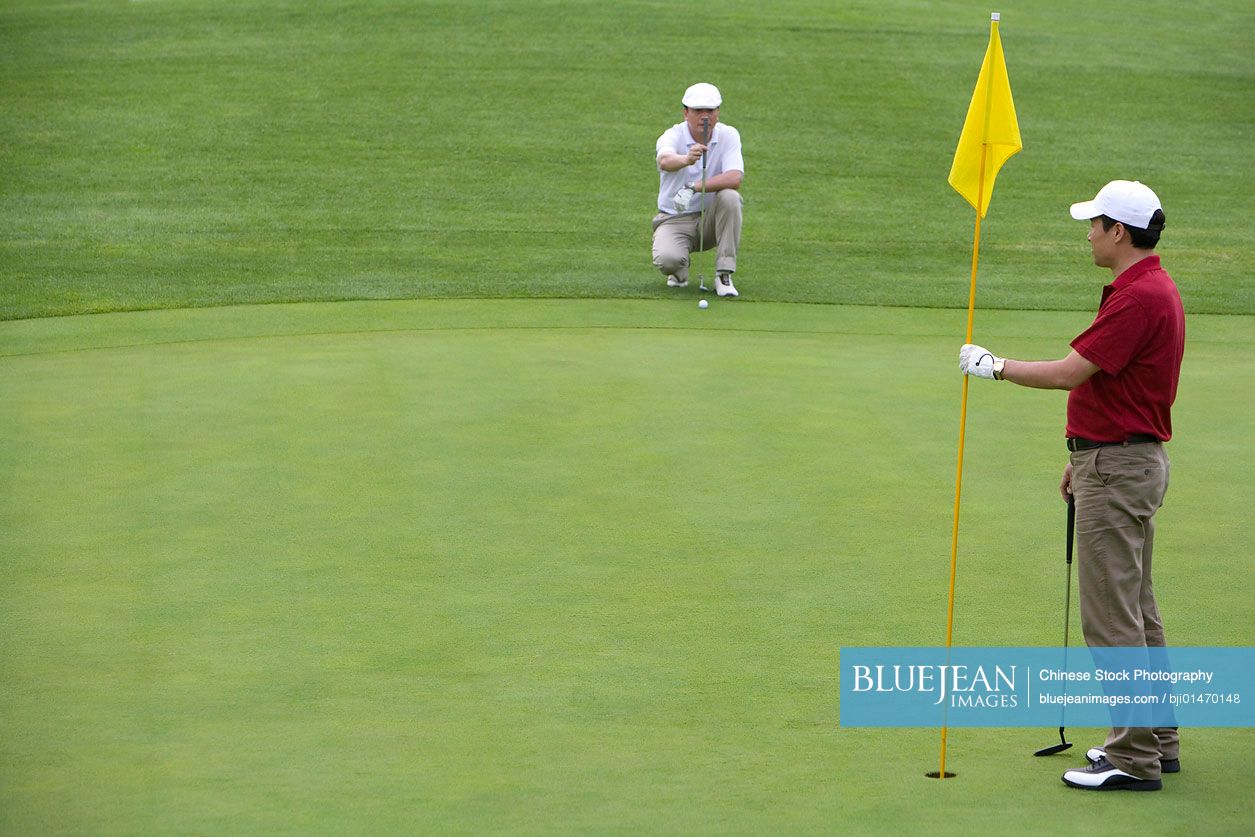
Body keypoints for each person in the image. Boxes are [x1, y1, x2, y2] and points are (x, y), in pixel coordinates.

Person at [959, 180, 1185, 792]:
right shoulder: (1149, 288)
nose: (1087, 233)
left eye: (1094, 224)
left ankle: (1133, 758)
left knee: (1112, 619)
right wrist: (1083, 452)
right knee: (1137, 611)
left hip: (1117, 469)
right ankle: (1156, 739)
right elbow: (1111, 387)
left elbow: (1069, 373)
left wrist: (992, 365)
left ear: (1119, 231)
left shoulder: (1138, 298)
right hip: (1119, 459)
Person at [652, 82, 744, 298]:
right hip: (674, 219)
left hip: (711, 220)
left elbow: (735, 177)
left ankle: (724, 274)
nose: (705, 116)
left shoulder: (729, 135)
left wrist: (694, 187)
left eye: (710, 111)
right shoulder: (672, 135)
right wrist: (686, 159)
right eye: (698, 111)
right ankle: (679, 270)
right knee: (668, 260)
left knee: (731, 197)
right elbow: (665, 161)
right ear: (686, 113)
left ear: (718, 113)